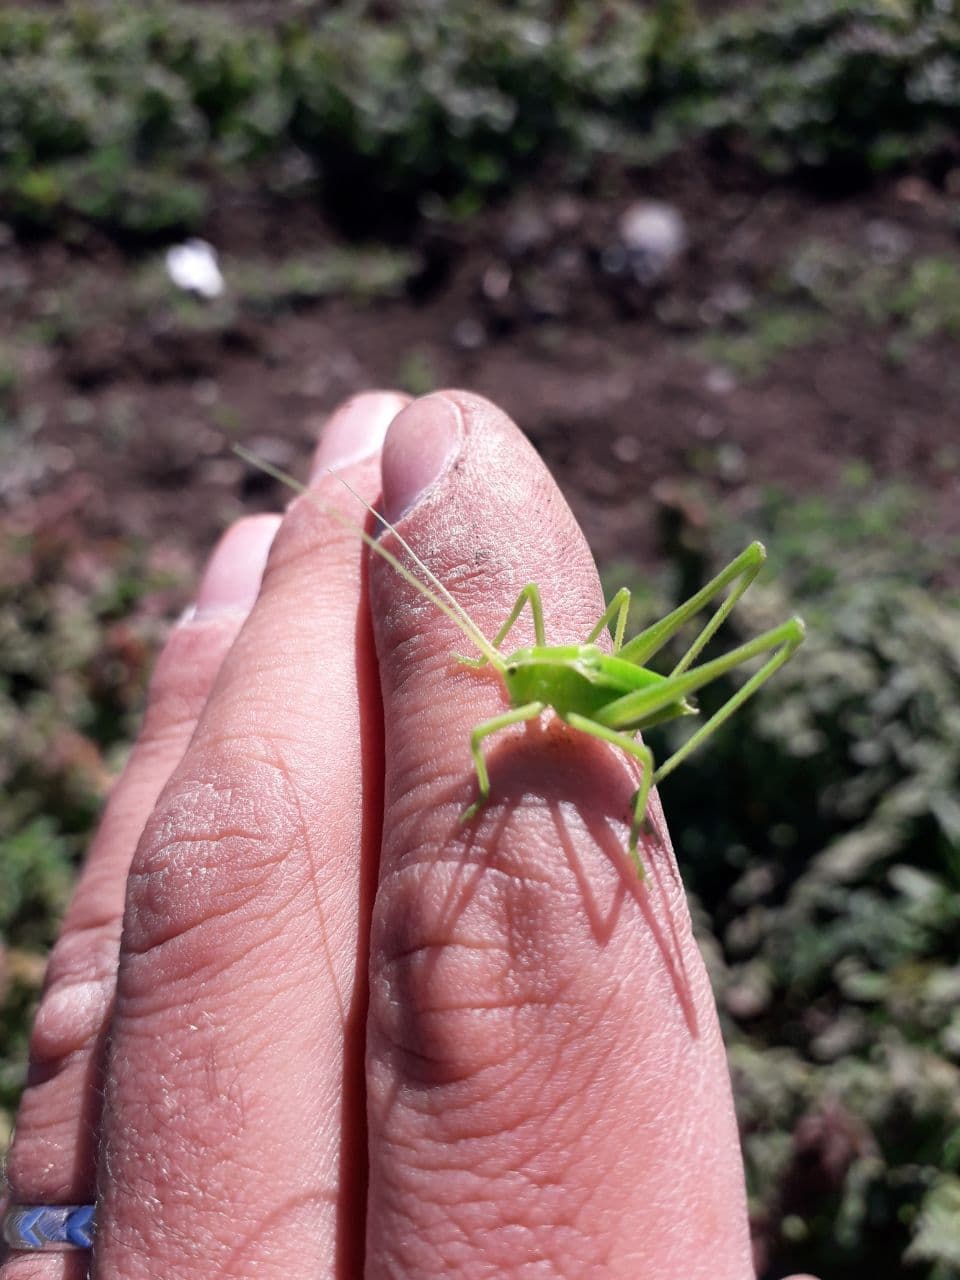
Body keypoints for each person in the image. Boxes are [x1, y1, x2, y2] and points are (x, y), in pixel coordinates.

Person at [1, 392, 819, 1278]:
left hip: (618, 713)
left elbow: (490, 734)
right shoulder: (513, 677)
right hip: (573, 688)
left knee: (669, 643)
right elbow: (501, 691)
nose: (499, 680)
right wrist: (496, 671)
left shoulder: (547, 715)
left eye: (508, 672)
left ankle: (663, 765)